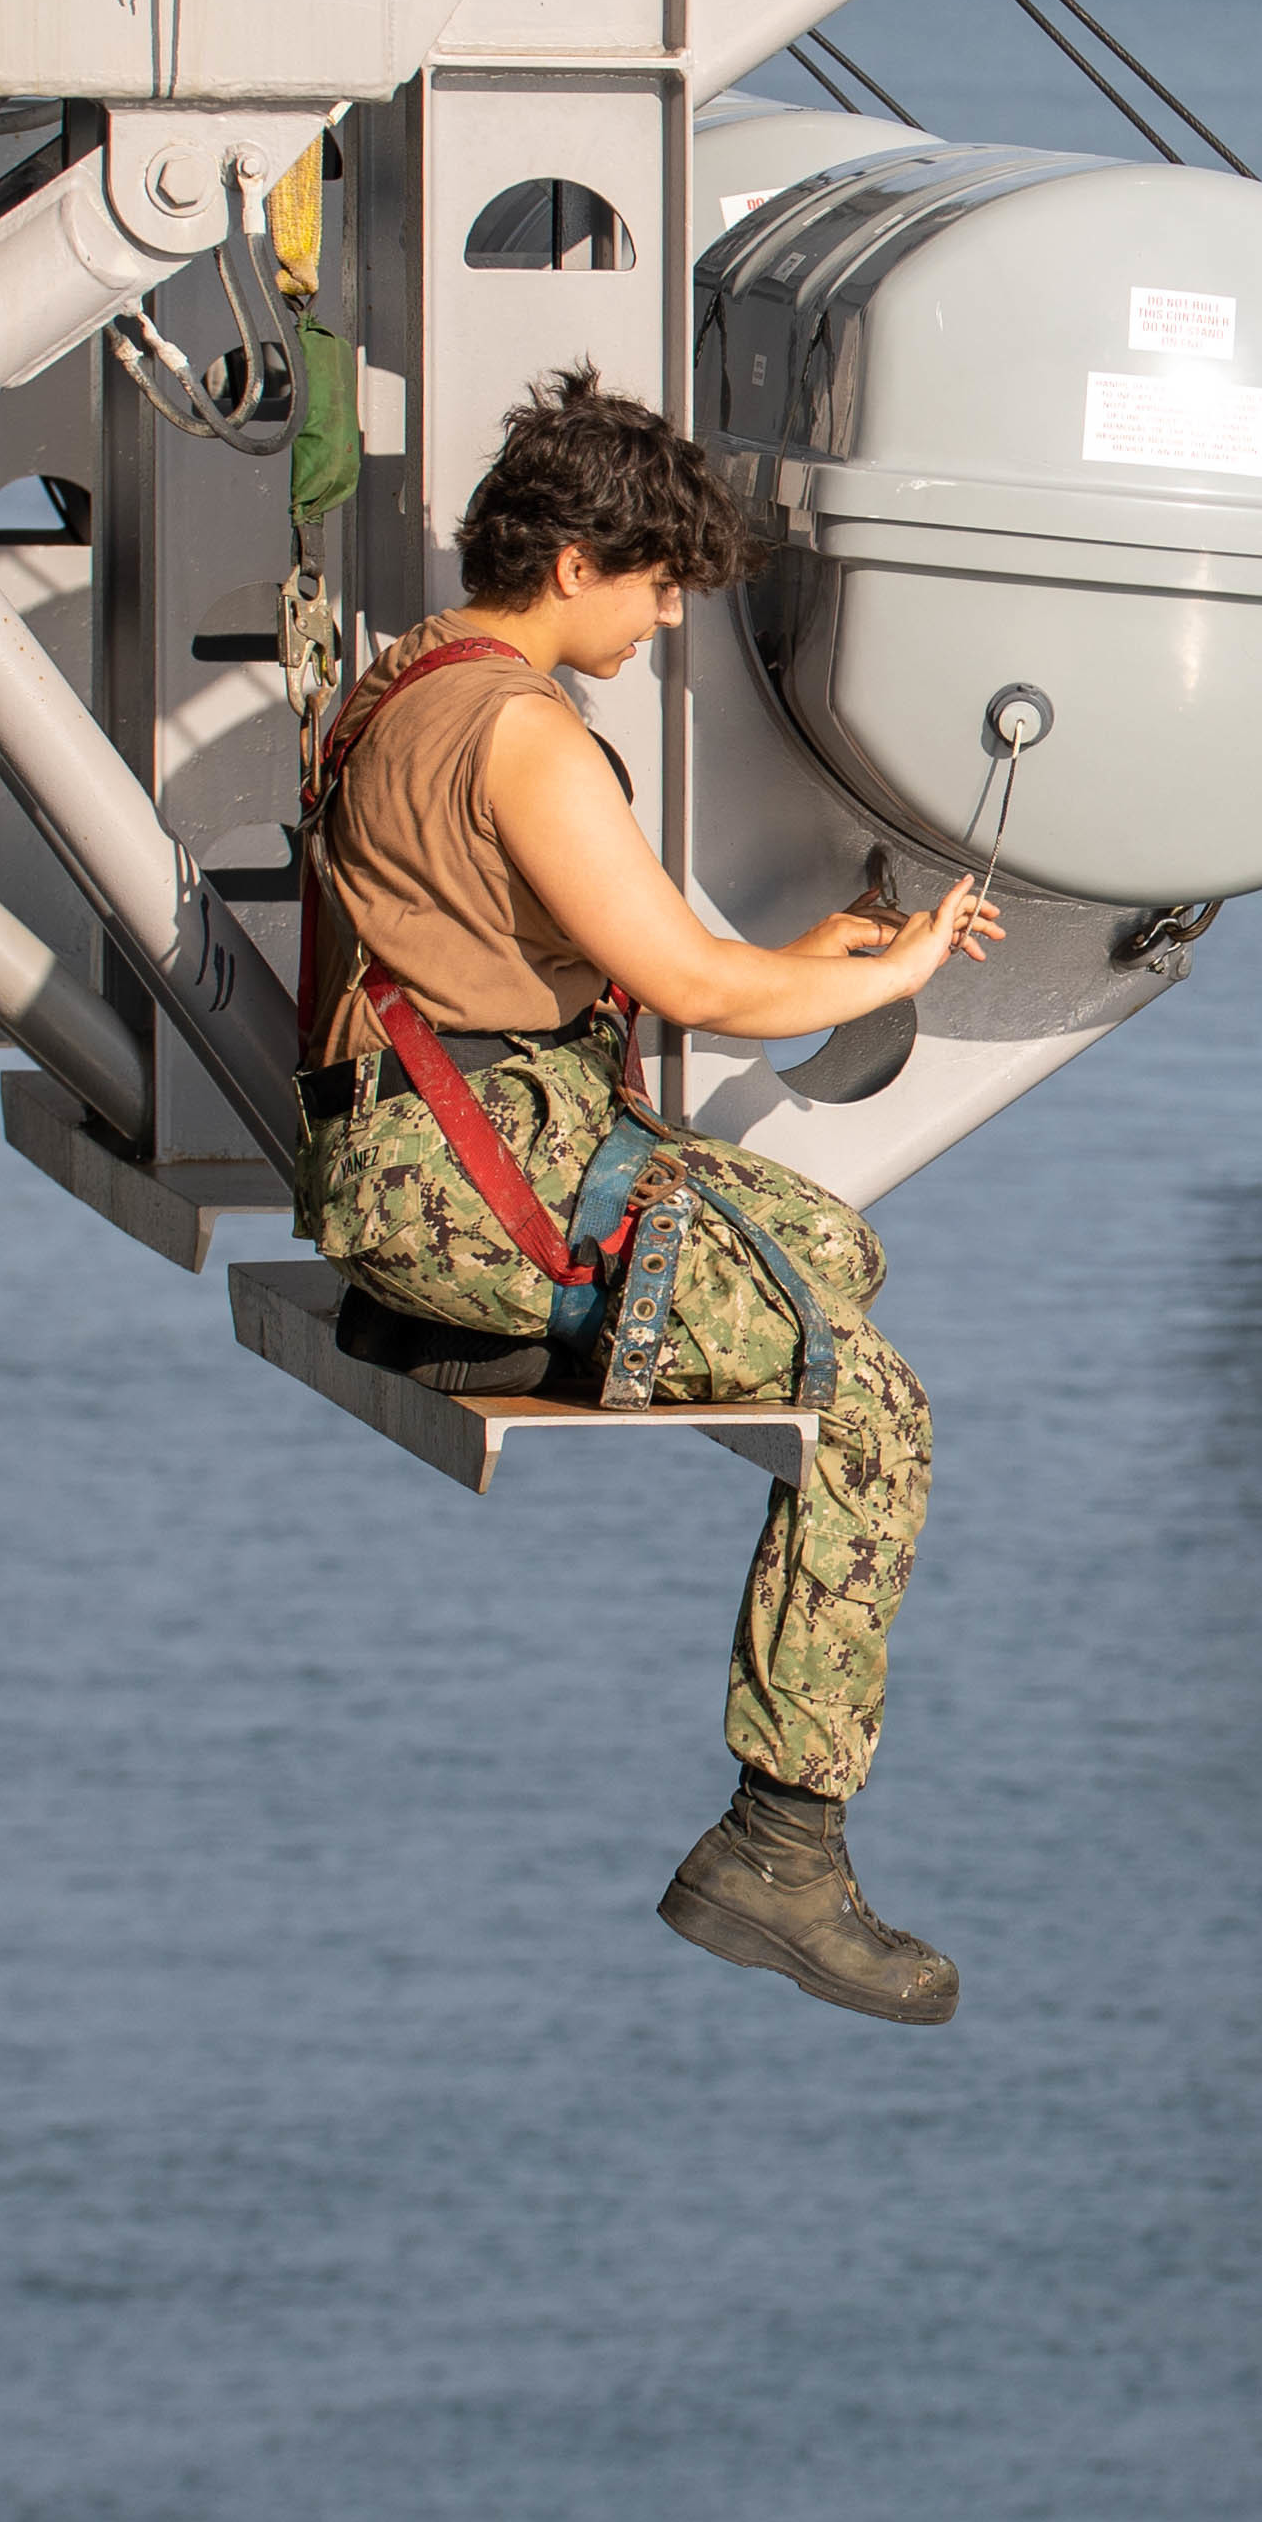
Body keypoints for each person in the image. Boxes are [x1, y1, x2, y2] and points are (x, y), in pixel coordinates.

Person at [296, 367, 1000, 2024]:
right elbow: (681, 989)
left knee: (835, 1249)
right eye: (658, 582)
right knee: (869, 1407)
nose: (667, 617)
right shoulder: (526, 731)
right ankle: (781, 1841)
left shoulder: (415, 679)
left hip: (438, 1150)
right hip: (484, 1184)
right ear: (572, 566)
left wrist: (801, 960)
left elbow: (558, 955)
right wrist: (885, 964)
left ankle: (468, 1329)